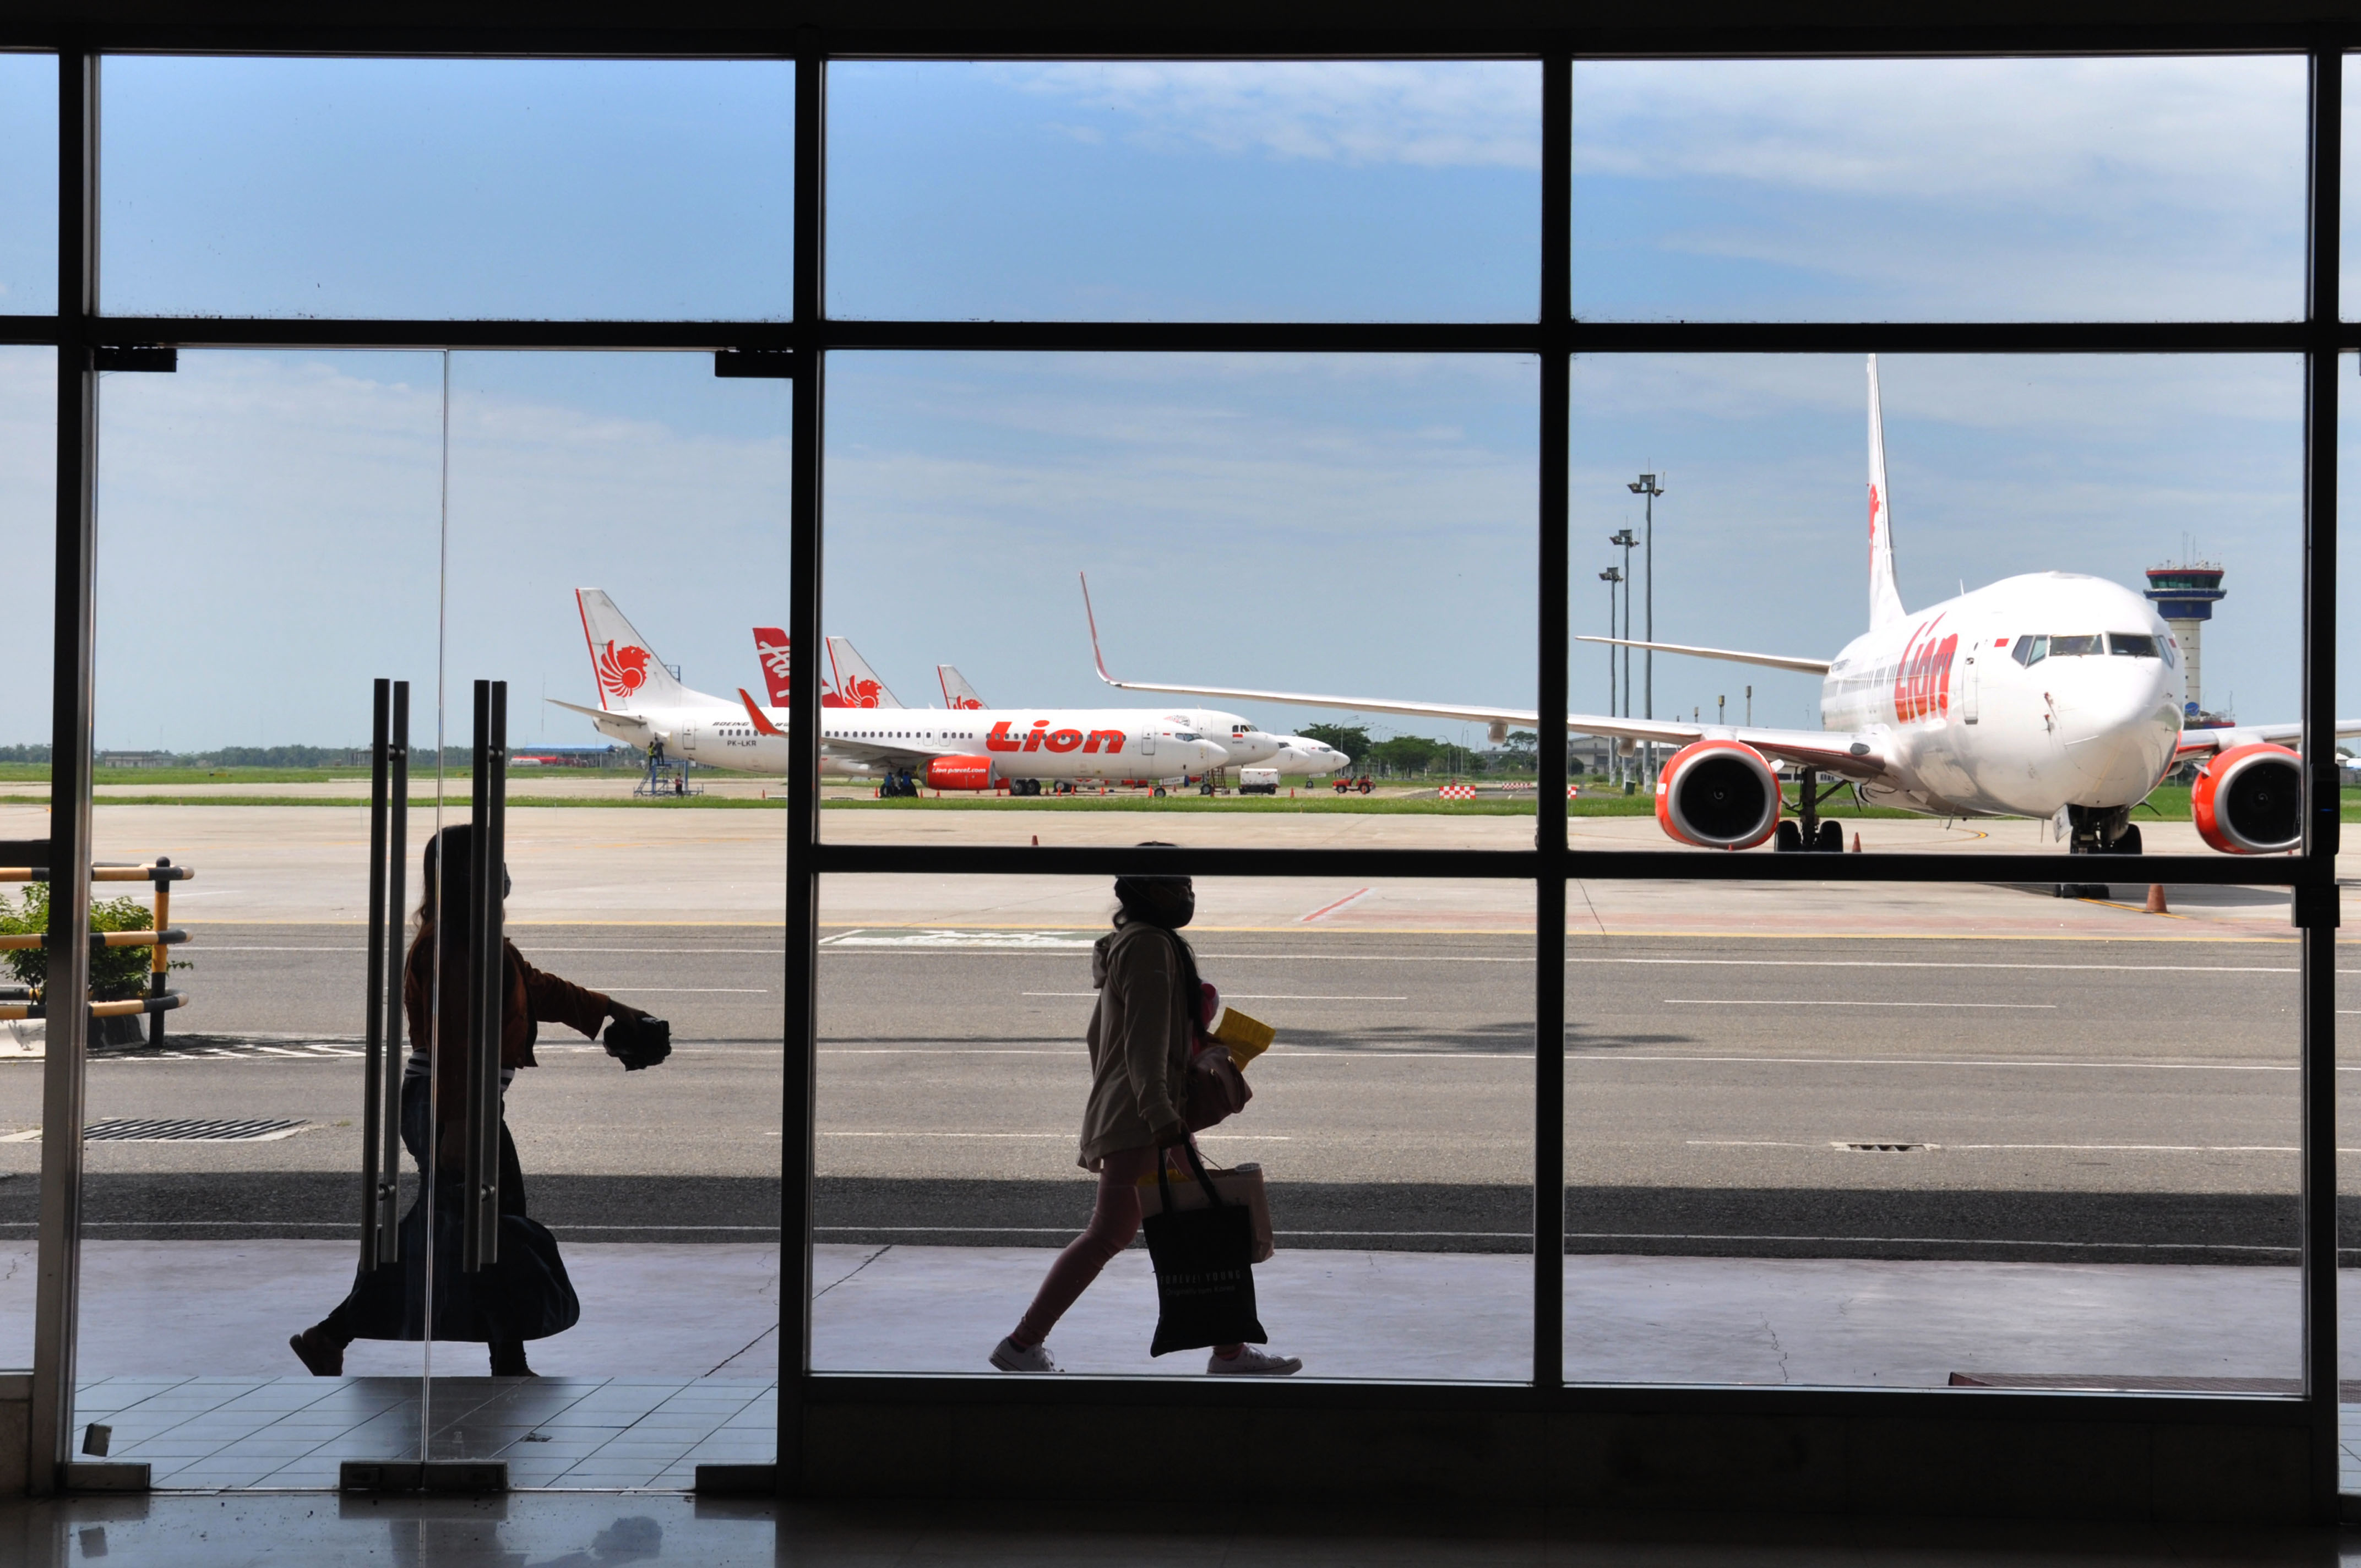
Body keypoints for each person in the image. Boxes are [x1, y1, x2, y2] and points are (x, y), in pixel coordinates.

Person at [290, 823, 658, 1378]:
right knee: (470, 1228)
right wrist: (461, 1124)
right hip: (451, 1104)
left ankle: (490, 1353)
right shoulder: (452, 949)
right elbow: (459, 1043)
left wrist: (611, 1008)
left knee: (486, 1227)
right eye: (493, 864)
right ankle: (338, 1334)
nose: (504, 874)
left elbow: (534, 986)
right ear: (470, 876)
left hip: (463, 1104)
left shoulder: (474, 940)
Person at [991, 854, 1300, 1376]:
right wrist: (1158, 1111)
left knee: (1181, 1228)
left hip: (1141, 1113)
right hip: (1147, 1118)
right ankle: (1022, 1343)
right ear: (1150, 890)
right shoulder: (1151, 947)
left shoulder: (1135, 943)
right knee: (1119, 1234)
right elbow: (1145, 1042)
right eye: (1177, 883)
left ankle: (1229, 1351)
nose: (1187, 892)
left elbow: (1105, 1040)